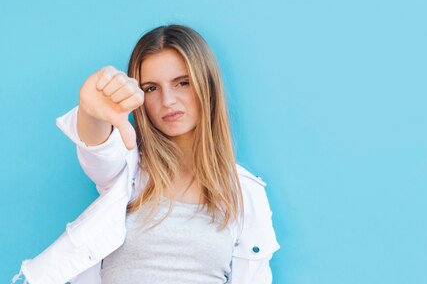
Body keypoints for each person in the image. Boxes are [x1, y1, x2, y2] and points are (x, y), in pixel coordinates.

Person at [11, 25, 280, 284]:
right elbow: (98, 151)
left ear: (206, 86)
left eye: (182, 83)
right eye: (151, 88)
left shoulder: (245, 194)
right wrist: (91, 112)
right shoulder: (127, 169)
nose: (167, 100)